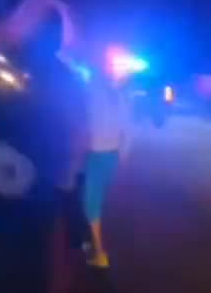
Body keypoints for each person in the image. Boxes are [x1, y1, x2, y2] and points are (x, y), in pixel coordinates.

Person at [77, 57, 134, 269]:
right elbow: (127, 131)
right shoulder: (105, 90)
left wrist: (123, 154)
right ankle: (90, 242)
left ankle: (100, 253)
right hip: (101, 154)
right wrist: (123, 154)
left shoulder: (117, 95)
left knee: (91, 203)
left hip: (101, 155)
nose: (120, 72)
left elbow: (128, 129)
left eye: (123, 70)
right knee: (91, 201)